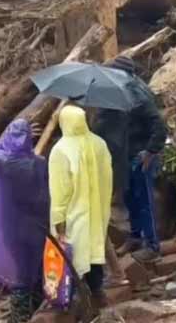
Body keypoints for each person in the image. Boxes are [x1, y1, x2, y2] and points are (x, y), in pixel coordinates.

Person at [93, 56, 168, 260]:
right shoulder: (117, 93)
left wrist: (151, 151)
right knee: (129, 198)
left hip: (140, 156)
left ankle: (152, 246)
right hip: (124, 156)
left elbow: (159, 126)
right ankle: (135, 237)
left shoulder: (138, 94)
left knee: (144, 199)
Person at [0, 119, 49, 323]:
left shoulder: (5, 162)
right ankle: (39, 310)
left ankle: (20, 317)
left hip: (15, 225)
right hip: (40, 224)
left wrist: (7, 137)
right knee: (37, 268)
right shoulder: (40, 163)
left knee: (21, 271)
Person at [49, 105, 113, 305]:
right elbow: (108, 177)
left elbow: (60, 191)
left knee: (73, 255)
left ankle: (74, 298)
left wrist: (58, 219)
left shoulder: (60, 150)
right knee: (94, 249)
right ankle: (97, 292)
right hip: (98, 210)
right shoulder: (99, 143)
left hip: (73, 214)